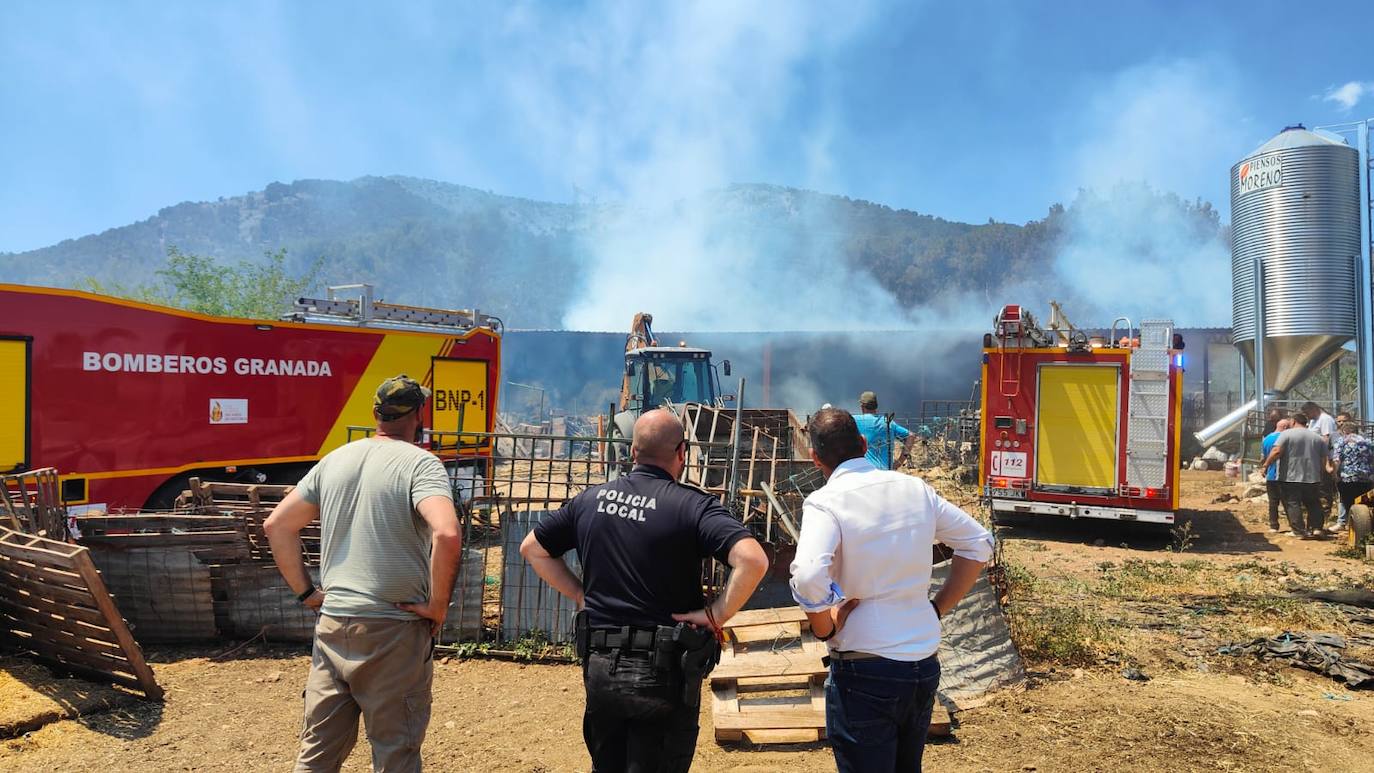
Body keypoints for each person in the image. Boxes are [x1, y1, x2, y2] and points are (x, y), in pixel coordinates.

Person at [520, 409, 769, 772]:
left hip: (602, 669)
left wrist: (579, 594)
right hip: (664, 674)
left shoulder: (591, 500)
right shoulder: (692, 506)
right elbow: (753, 560)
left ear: (633, 451)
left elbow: (532, 548)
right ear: (682, 451)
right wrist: (717, 613)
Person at [264, 374, 462, 773]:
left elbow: (277, 526)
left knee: (318, 752)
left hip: (334, 624)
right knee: (395, 752)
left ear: (375, 413)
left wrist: (308, 595)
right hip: (393, 631)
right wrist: (437, 606)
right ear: (419, 415)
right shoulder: (421, 464)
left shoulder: (336, 460)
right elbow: (446, 532)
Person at [790, 408, 994, 772]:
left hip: (864, 666)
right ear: (864, 444)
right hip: (922, 662)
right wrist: (937, 609)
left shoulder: (825, 502)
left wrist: (825, 626)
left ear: (814, 457)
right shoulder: (915, 489)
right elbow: (978, 543)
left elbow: (807, 575)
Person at [1262, 412, 1329, 539]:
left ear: (1293, 422)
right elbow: (1323, 458)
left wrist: (1266, 464)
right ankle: (1316, 528)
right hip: (1312, 477)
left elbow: (1276, 451)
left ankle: (1299, 531)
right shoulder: (1317, 437)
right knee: (1313, 503)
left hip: (1290, 476)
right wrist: (1321, 473)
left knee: (1293, 503)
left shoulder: (1286, 434)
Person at [1330, 419, 1374, 533]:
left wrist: (1335, 474)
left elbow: (1336, 460)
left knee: (1345, 500)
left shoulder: (1342, 441)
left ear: (1344, 431)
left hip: (1347, 477)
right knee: (1364, 502)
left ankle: (1344, 523)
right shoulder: (1368, 441)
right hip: (1366, 478)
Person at [852, 391, 912, 470]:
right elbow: (911, 436)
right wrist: (899, 462)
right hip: (886, 473)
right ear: (876, 406)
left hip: (866, 472)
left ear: (862, 406)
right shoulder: (888, 422)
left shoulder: (855, 420)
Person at [1304, 401, 1339, 518]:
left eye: (1307, 413)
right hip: (1314, 457)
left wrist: (1324, 459)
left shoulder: (1325, 419)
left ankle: (1326, 512)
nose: (1306, 416)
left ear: (1314, 410)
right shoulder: (1313, 421)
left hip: (1324, 457)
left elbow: (1326, 439)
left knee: (1324, 485)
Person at [1261, 418, 1293, 533]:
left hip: (1271, 475)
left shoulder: (1267, 439)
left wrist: (1265, 466)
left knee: (1273, 502)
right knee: (1289, 502)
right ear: (1285, 428)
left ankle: (1273, 525)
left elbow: (1264, 456)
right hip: (1285, 475)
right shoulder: (1287, 438)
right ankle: (1292, 525)